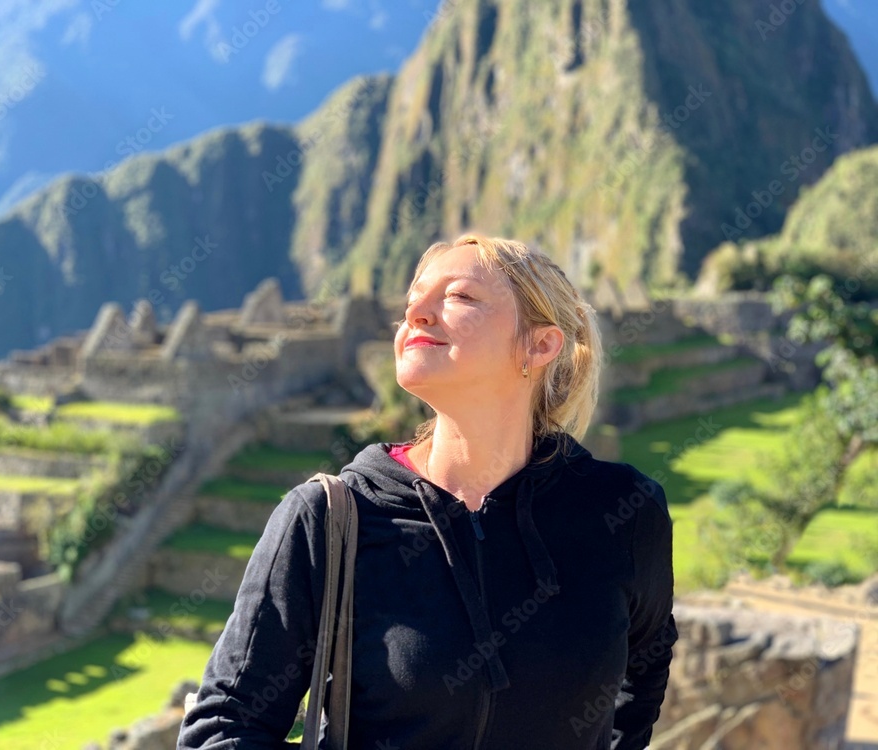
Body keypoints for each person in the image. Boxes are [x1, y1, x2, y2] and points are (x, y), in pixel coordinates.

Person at [177, 232, 677, 750]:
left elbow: (645, 667)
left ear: (541, 343)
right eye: (412, 302)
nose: (417, 314)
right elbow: (226, 728)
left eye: (459, 296)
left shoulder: (622, 512)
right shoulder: (329, 520)